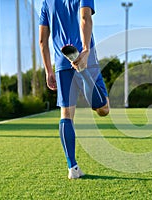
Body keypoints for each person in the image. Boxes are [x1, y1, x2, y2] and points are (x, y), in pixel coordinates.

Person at [39, 0, 109, 179]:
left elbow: (42, 41)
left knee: (66, 115)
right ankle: (84, 72)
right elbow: (85, 17)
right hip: (85, 56)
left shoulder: (47, 2)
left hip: (62, 62)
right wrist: (85, 50)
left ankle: (73, 168)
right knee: (103, 109)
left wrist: (48, 71)